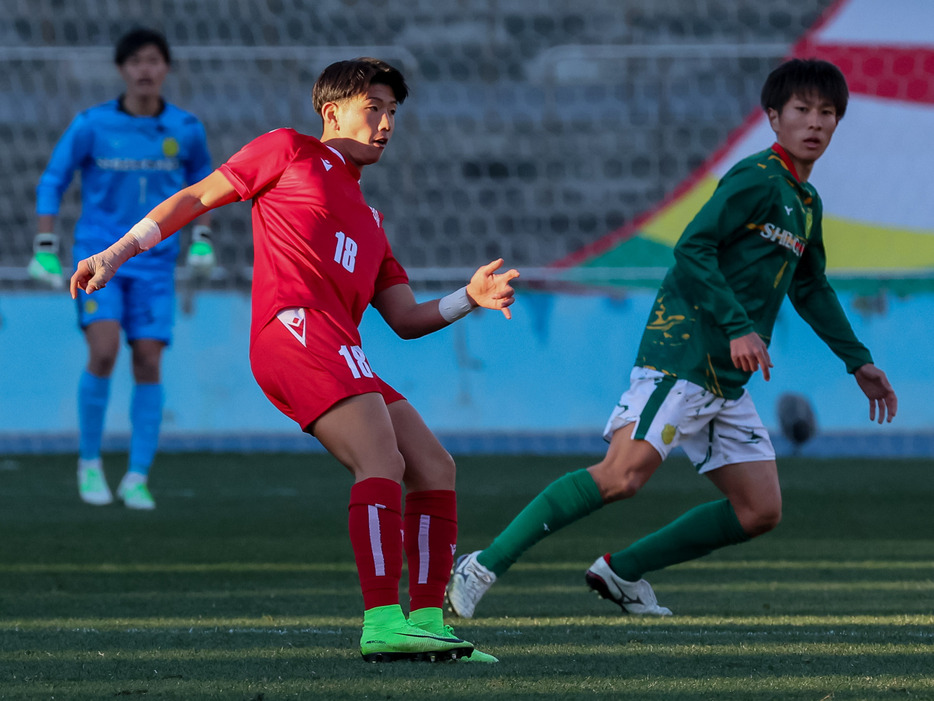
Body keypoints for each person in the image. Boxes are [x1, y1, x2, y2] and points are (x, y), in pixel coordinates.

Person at [71, 57, 519, 663]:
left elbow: (407, 320)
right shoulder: (288, 150)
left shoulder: (371, 221)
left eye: (393, 112)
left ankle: (427, 620)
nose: (386, 123)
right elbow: (197, 196)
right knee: (380, 458)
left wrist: (470, 298)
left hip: (342, 347)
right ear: (333, 112)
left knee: (435, 467)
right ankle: (384, 620)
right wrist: (116, 253)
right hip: (294, 331)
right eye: (374, 109)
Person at [446, 58, 898, 620]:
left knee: (759, 509)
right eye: (802, 110)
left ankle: (622, 571)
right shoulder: (756, 178)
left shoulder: (806, 204)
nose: (815, 123)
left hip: (725, 380)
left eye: (827, 113)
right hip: (683, 356)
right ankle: (482, 564)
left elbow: (809, 286)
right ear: (774, 118)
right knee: (621, 477)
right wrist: (737, 327)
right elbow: (693, 249)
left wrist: (859, 362)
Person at [32, 27, 215, 510]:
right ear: (122, 70)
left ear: (166, 68)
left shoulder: (186, 128)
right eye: (135, 62)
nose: (145, 70)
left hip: (155, 266)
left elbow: (206, 188)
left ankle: (137, 476)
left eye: (153, 60)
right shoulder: (91, 124)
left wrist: (202, 241)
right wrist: (46, 245)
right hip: (99, 256)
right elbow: (53, 179)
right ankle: (89, 463)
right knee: (105, 349)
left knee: (149, 360)